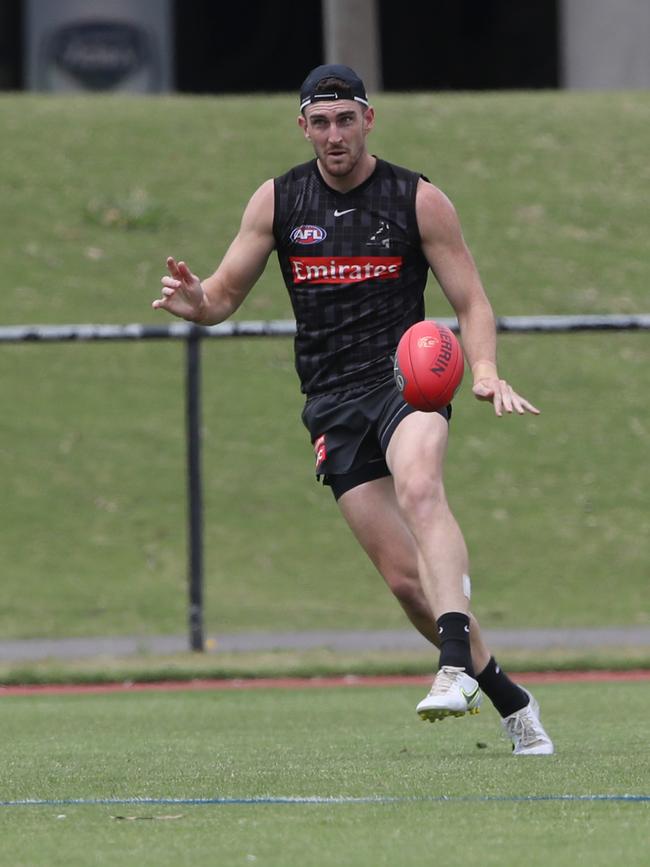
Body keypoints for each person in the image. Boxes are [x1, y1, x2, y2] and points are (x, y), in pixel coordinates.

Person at [153, 64, 553, 755]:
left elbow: (472, 303)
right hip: (332, 402)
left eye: (345, 119)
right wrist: (199, 306)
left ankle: (454, 665)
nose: (333, 134)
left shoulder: (417, 198)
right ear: (302, 126)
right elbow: (219, 297)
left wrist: (483, 368)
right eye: (320, 121)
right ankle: (511, 700)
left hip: (411, 381)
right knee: (405, 581)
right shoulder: (277, 202)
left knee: (423, 488)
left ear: (368, 120)